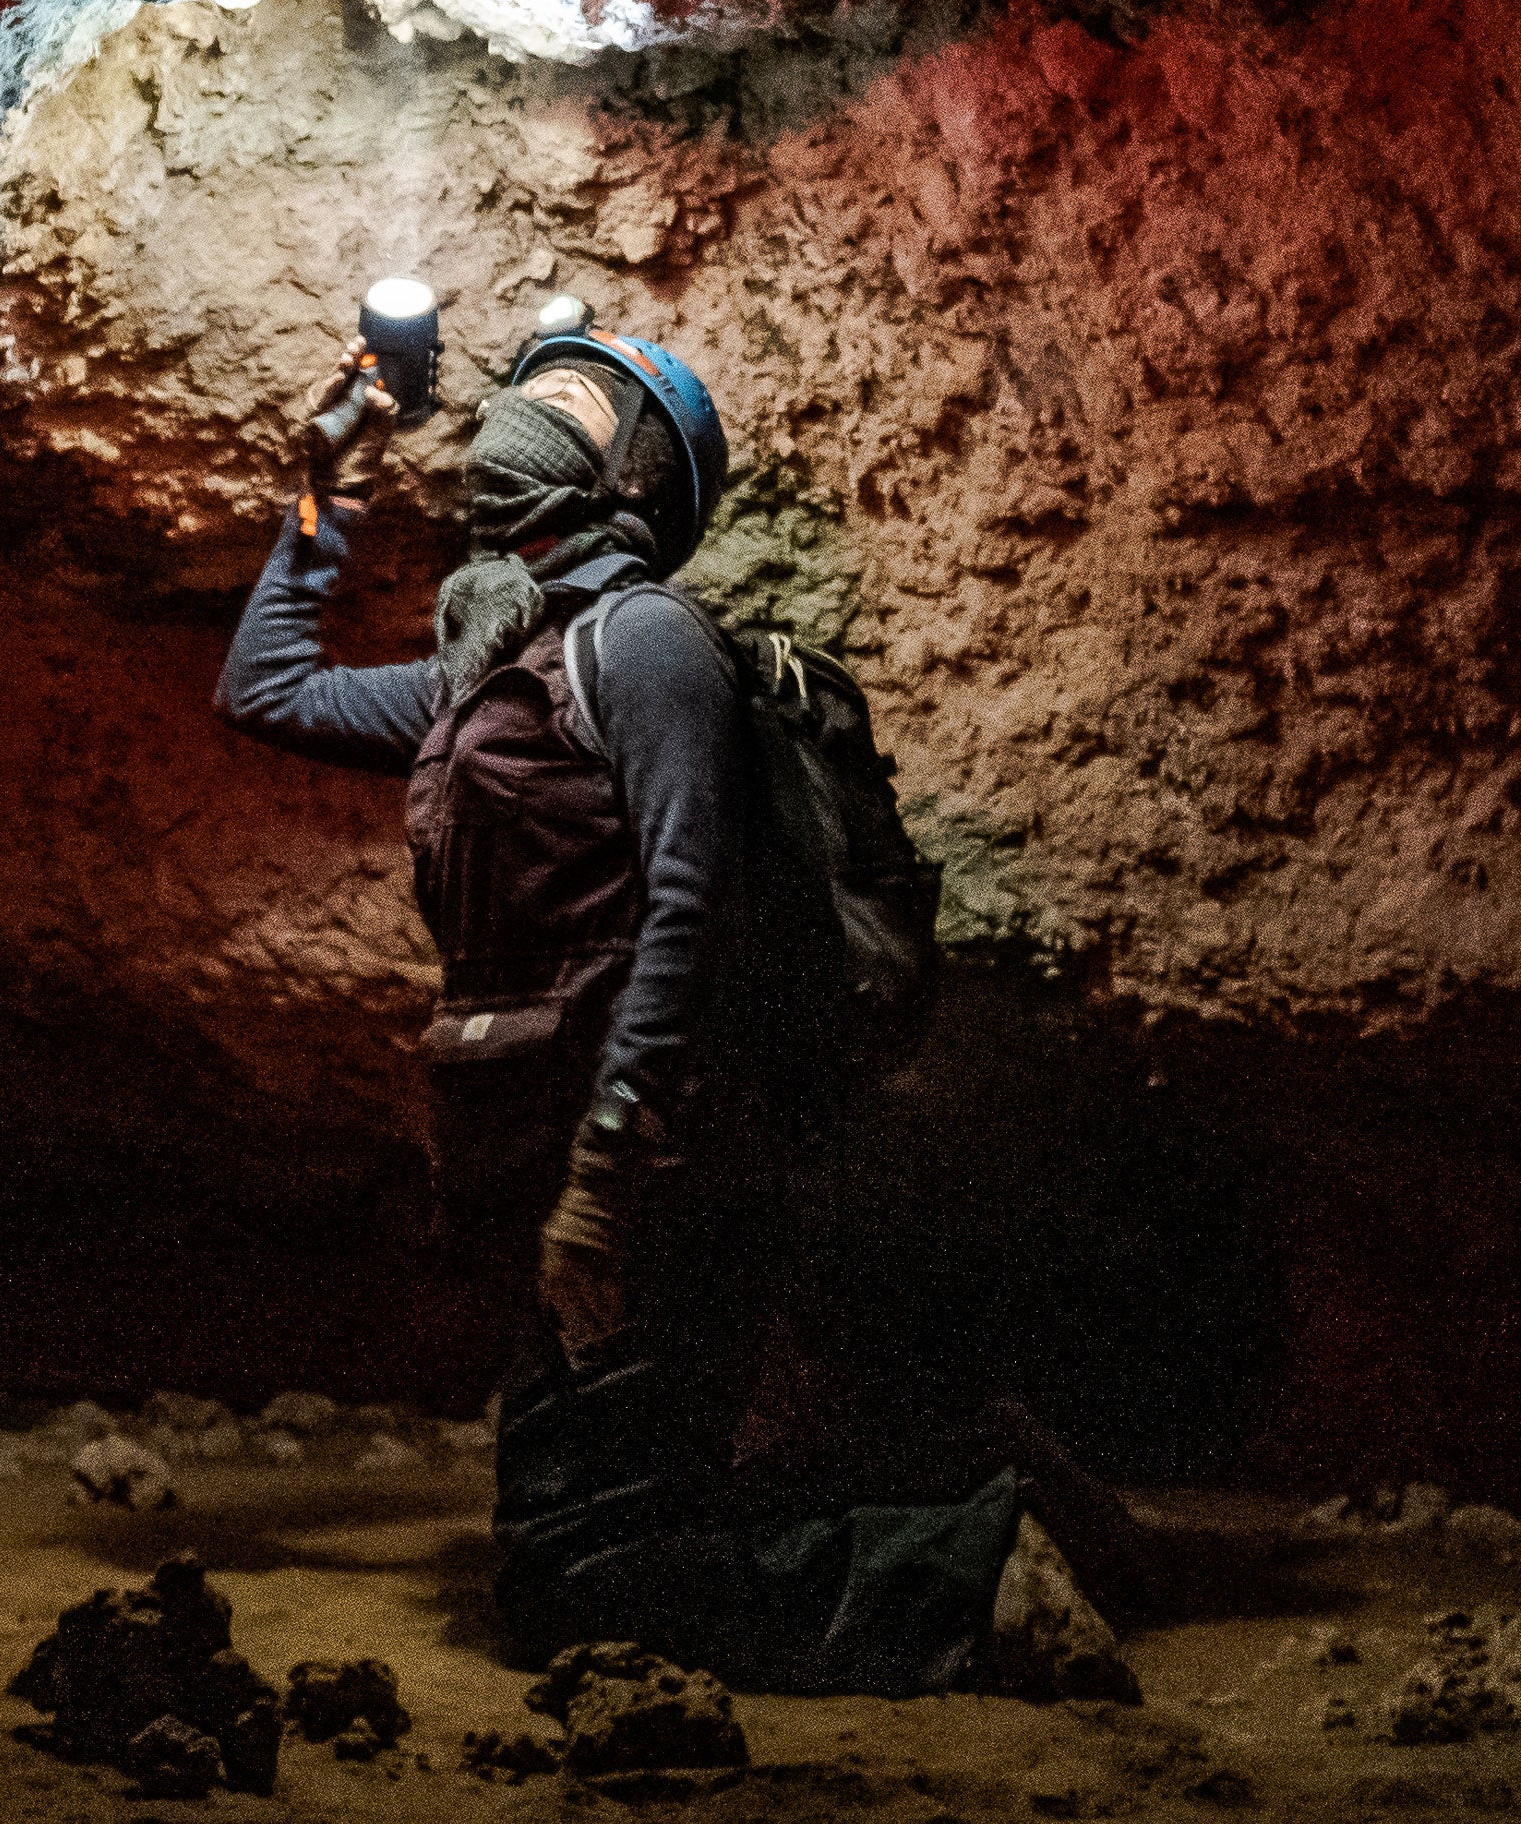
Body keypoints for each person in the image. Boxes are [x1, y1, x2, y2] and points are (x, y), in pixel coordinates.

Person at [217, 318, 1144, 1700]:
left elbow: (687, 908)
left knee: (578, 1577)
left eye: (580, 398)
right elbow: (266, 687)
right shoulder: (492, 672)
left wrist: (605, 1177)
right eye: (533, 383)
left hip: (662, 1175)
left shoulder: (645, 642)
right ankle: (964, 1457)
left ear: (639, 485)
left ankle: (978, 1578)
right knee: (604, 1521)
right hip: (565, 1175)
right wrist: (321, 485)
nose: (532, 406)